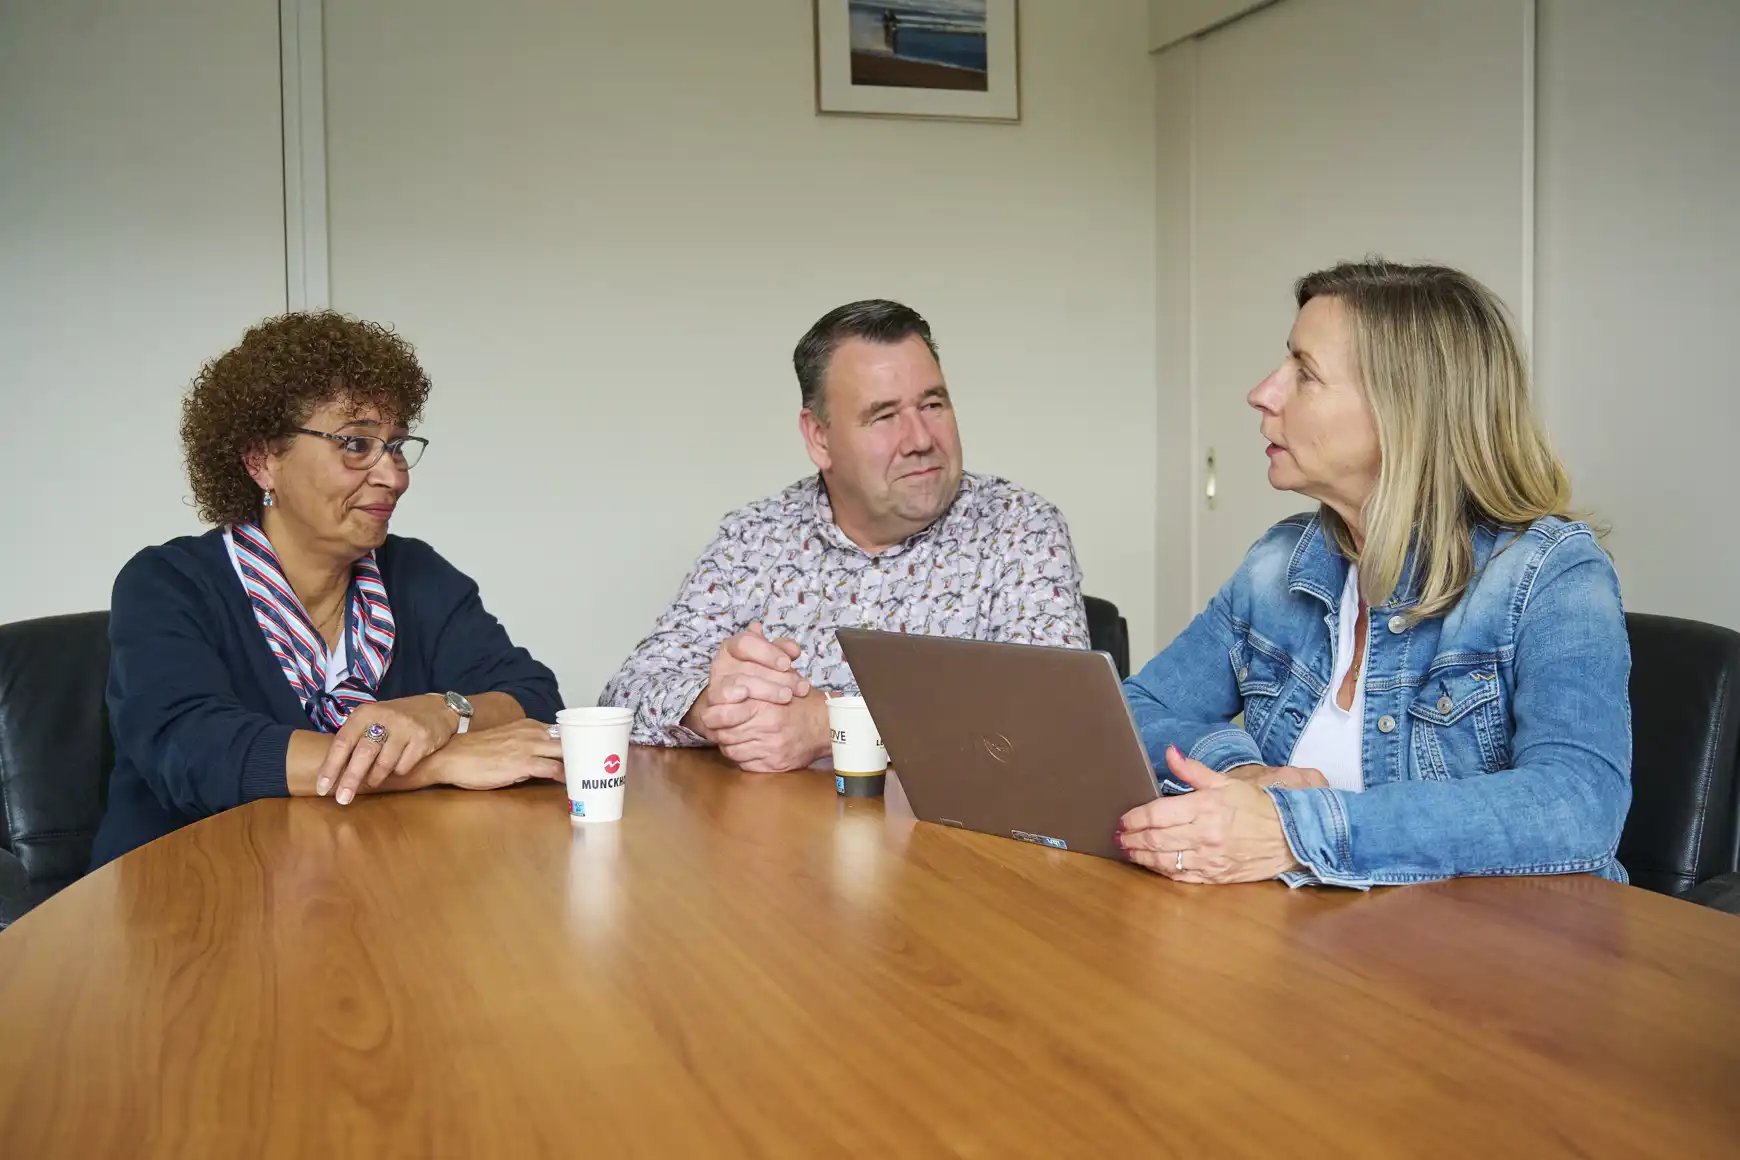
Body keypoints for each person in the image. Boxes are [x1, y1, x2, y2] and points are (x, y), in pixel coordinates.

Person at [1117, 260, 1631, 889]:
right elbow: (1137, 709)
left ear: (1403, 411)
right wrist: (1243, 774)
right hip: (1316, 949)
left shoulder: (1552, 573)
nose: (1263, 392)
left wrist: (1297, 829)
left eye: (1304, 374)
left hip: (1502, 963)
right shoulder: (1279, 563)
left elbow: (1577, 804)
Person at [91, 312, 565, 868]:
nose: (394, 476)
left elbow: (532, 696)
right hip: (192, 899)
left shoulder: (415, 573)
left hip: (371, 887)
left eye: (396, 446)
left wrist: (446, 712)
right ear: (262, 460)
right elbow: (198, 753)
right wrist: (434, 763)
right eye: (357, 444)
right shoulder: (169, 583)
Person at [601, 299, 1089, 773]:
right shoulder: (754, 539)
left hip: (942, 848)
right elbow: (625, 693)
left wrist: (828, 722)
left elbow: (1056, 719)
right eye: (883, 416)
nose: (920, 439)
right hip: (774, 845)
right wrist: (718, 708)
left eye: (933, 404)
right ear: (819, 438)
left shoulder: (1020, 528)